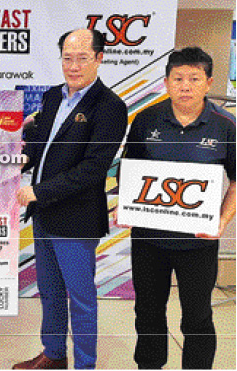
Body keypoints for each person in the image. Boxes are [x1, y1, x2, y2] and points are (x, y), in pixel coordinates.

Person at [15, 29, 128, 370]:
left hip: (75, 219)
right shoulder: (52, 97)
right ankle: (53, 354)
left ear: (99, 58)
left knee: (80, 299)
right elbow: (40, 145)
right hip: (44, 215)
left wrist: (38, 191)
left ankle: (85, 364)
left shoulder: (109, 107)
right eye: (67, 57)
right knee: (49, 292)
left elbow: (93, 169)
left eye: (82, 57)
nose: (74, 65)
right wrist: (22, 160)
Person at [122, 47, 236, 369]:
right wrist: (126, 208)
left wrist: (222, 221)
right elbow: (132, 171)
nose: (185, 86)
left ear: (208, 81)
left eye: (194, 79)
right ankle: (149, 366)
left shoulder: (225, 125)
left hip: (198, 243)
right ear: (167, 82)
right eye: (178, 78)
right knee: (148, 314)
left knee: (198, 317)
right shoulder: (146, 120)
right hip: (148, 240)